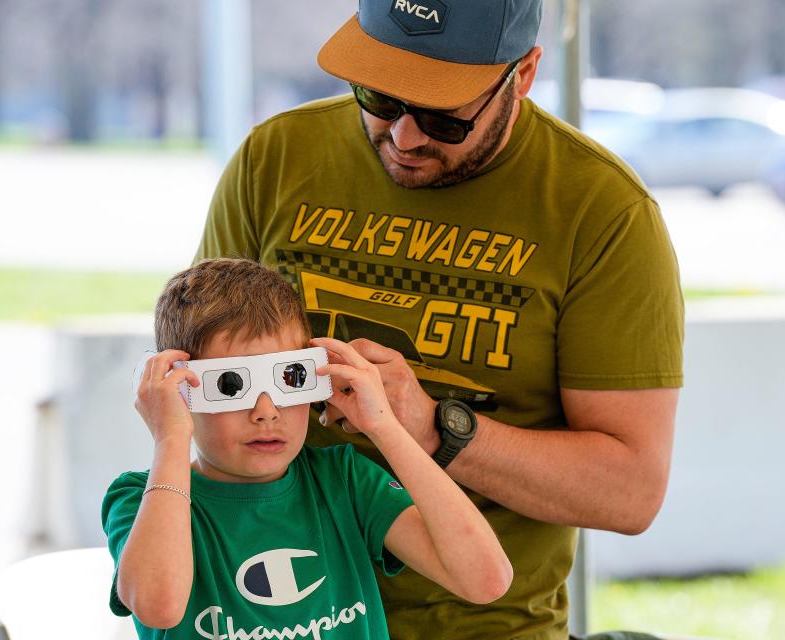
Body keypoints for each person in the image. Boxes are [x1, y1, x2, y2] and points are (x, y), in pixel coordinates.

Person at [194, 0, 685, 637]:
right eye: (379, 96)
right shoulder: (275, 157)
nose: (403, 137)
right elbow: (198, 376)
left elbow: (630, 492)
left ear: (524, 74)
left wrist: (433, 428)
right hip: (268, 617)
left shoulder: (602, 213)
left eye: (442, 117)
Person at [101, 258, 512, 639]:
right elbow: (159, 608)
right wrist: (171, 437)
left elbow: (485, 579)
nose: (265, 411)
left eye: (289, 378)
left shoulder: (345, 481)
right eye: (230, 385)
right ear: (179, 389)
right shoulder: (138, 499)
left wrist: (384, 425)